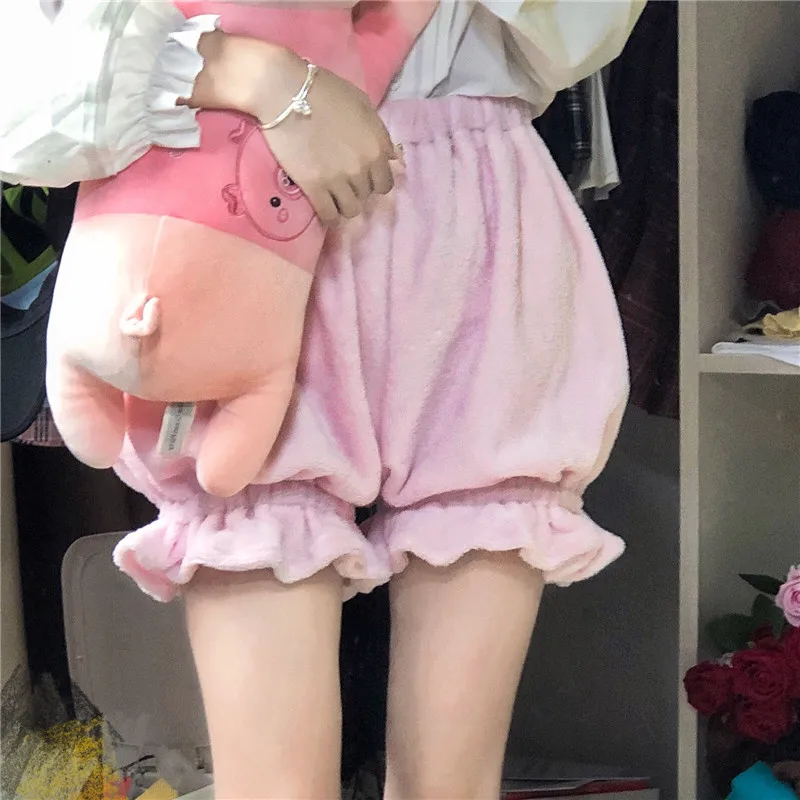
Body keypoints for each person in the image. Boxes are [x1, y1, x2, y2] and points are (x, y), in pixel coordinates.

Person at [0, 2, 644, 798]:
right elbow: (27, 82)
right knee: (275, 784)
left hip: (471, 206)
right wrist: (255, 74)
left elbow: (574, 35)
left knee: (452, 787)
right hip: (236, 204)